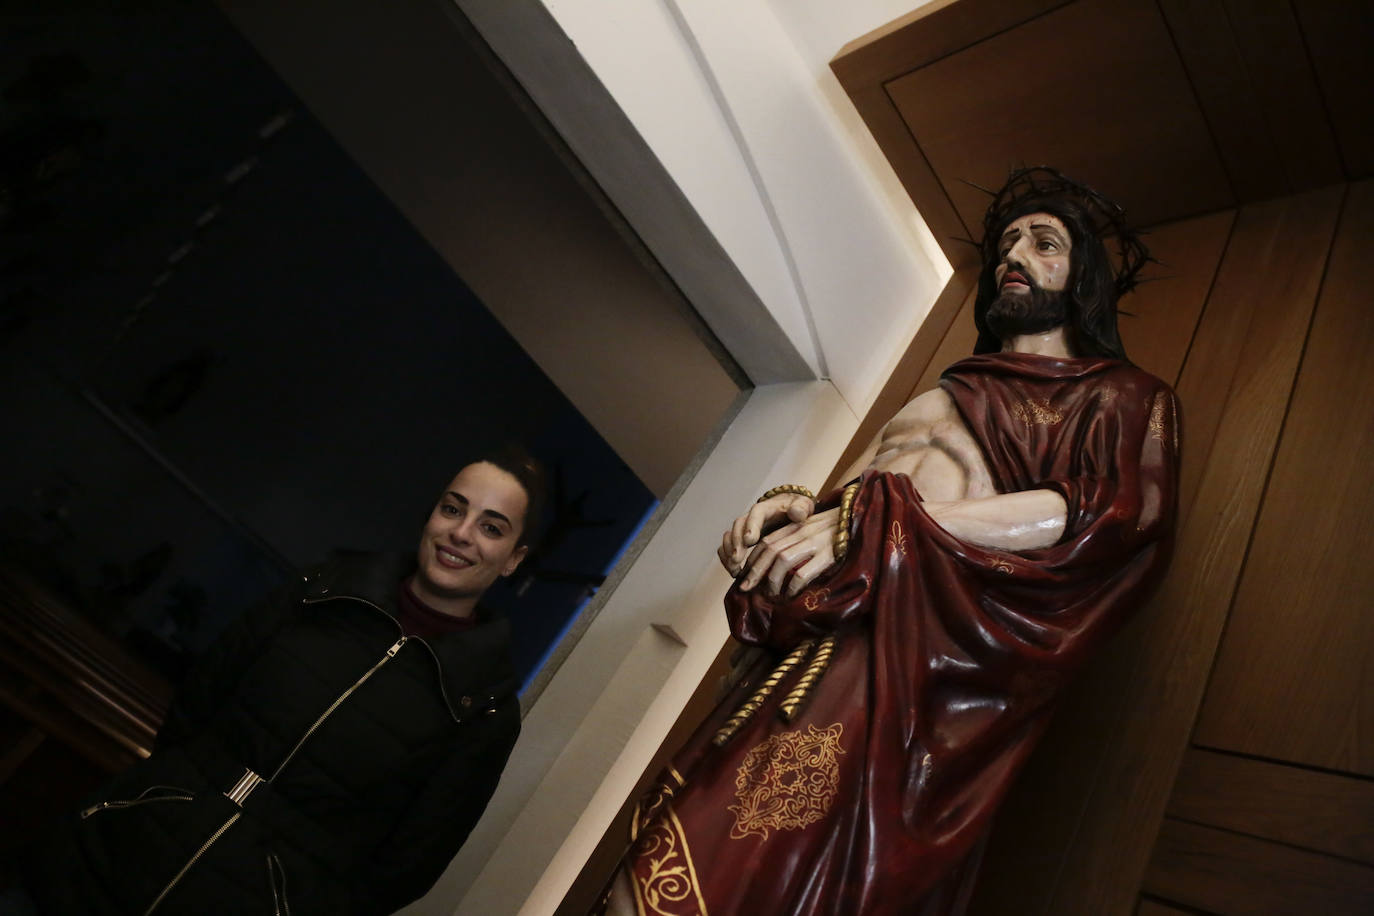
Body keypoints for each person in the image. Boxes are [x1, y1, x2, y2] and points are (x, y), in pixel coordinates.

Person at [608, 168, 1180, 915]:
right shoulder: (936, 395)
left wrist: (880, 525)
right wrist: (788, 510)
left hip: (914, 656)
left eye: (1044, 244)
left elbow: (1107, 519)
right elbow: (845, 499)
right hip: (813, 642)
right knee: (659, 861)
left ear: (1083, 279)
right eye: (1008, 242)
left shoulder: (1118, 396)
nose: (1016, 254)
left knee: (731, 874)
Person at [19, 449, 544, 914]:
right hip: (106, 862)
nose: (461, 532)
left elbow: (401, 871)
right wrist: (169, 797)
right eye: (453, 508)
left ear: (512, 561)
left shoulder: (483, 712)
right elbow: (199, 699)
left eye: (492, 527)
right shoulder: (320, 590)